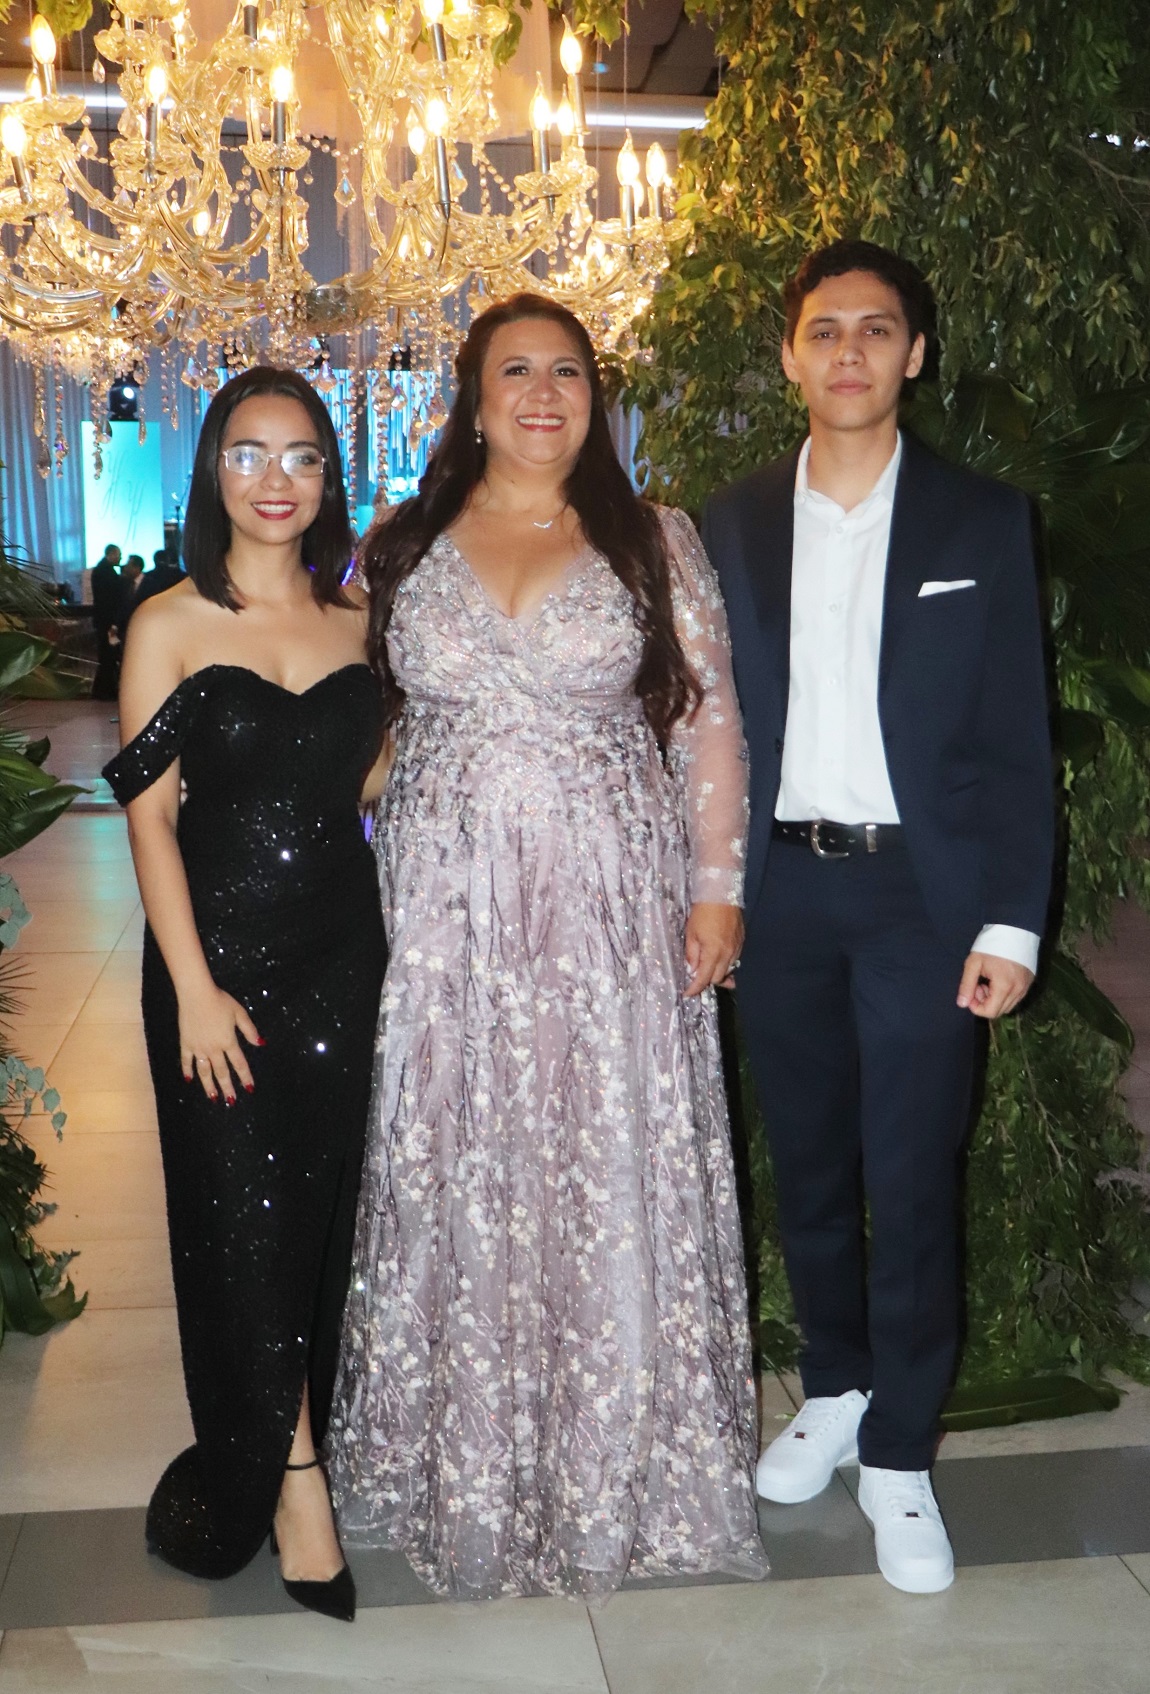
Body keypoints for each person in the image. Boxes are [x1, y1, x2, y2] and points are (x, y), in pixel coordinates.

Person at [325, 293, 767, 1602]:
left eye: (565, 371)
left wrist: (716, 890)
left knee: (601, 1145)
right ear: (471, 398)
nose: (540, 392)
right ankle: (457, 1453)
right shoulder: (398, 543)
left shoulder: (654, 537)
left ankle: (612, 1457)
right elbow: (345, 709)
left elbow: (708, 722)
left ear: (594, 397)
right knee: (459, 1144)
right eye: (513, 369)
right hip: (445, 906)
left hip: (606, 901)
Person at [702, 240, 1054, 1595]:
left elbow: (1015, 736)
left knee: (908, 1176)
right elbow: (699, 724)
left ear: (914, 352)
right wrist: (710, 891)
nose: (847, 350)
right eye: (823, 328)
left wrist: (1009, 921)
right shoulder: (727, 523)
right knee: (805, 1164)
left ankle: (900, 1447)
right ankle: (837, 1386)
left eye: (875, 328)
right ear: (788, 354)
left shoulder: (981, 520)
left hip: (921, 898)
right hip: (782, 890)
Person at [102, 366, 390, 1621]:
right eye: (249, 453)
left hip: (342, 961)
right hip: (213, 969)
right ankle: (293, 1487)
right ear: (211, 470)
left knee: (316, 1218)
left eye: (303, 456)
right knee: (240, 1221)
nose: (278, 480)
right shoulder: (168, 622)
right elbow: (150, 821)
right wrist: (192, 987)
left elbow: (367, 781)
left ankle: (290, 1438)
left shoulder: (358, 621)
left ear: (330, 478)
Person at [90, 542, 123, 700]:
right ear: (111, 554)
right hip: (106, 620)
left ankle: (102, 689)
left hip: (102, 619)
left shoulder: (101, 570)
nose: (120, 558)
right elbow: (111, 598)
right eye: (118, 555)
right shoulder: (106, 573)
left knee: (106, 657)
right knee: (108, 656)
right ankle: (105, 690)